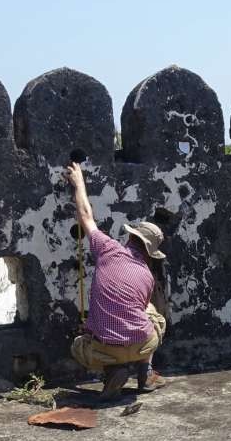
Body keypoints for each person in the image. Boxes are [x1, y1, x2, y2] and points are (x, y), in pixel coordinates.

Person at [63, 161, 168, 400]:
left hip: (106, 350)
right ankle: (146, 372)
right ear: (151, 252)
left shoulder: (108, 248)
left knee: (79, 344)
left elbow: (85, 216)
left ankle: (114, 373)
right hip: (143, 344)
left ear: (131, 236)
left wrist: (78, 182)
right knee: (153, 315)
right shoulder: (147, 275)